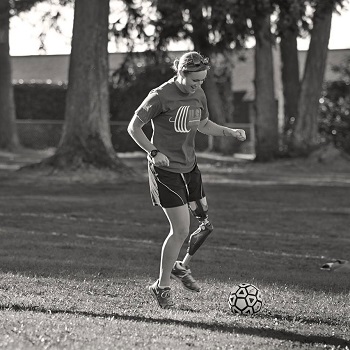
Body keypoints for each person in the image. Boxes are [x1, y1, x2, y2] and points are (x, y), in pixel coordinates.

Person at [127, 51, 246, 309]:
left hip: (190, 168)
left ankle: (180, 266)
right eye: (194, 81)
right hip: (165, 170)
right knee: (180, 229)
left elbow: (202, 124)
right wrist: (153, 152)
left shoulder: (199, 94)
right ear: (181, 73)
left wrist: (229, 131)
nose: (199, 85)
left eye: (202, 81)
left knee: (205, 223)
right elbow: (134, 127)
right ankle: (162, 287)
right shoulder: (159, 96)